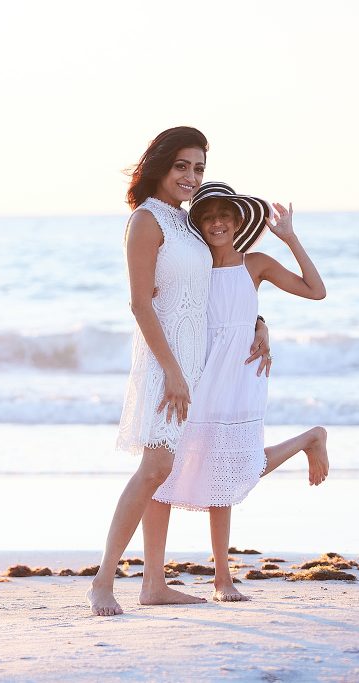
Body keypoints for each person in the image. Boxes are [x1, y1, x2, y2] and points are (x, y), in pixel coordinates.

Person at [87, 129, 273, 617]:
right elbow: (139, 302)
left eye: (198, 168)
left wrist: (258, 322)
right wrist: (170, 371)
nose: (191, 177)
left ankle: (153, 584)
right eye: (182, 167)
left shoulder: (186, 223)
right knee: (155, 468)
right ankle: (103, 582)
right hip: (165, 362)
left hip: (197, 362)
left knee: (163, 473)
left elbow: (219, 283)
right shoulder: (147, 220)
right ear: (161, 166)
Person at [152, 181, 329, 603]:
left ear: (237, 221)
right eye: (208, 216)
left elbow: (315, 290)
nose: (217, 223)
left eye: (225, 216)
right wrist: (259, 322)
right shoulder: (189, 267)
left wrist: (289, 238)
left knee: (231, 469)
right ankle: (308, 438)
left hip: (240, 375)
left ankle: (222, 578)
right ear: (197, 223)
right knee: (166, 471)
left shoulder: (257, 264)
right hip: (194, 376)